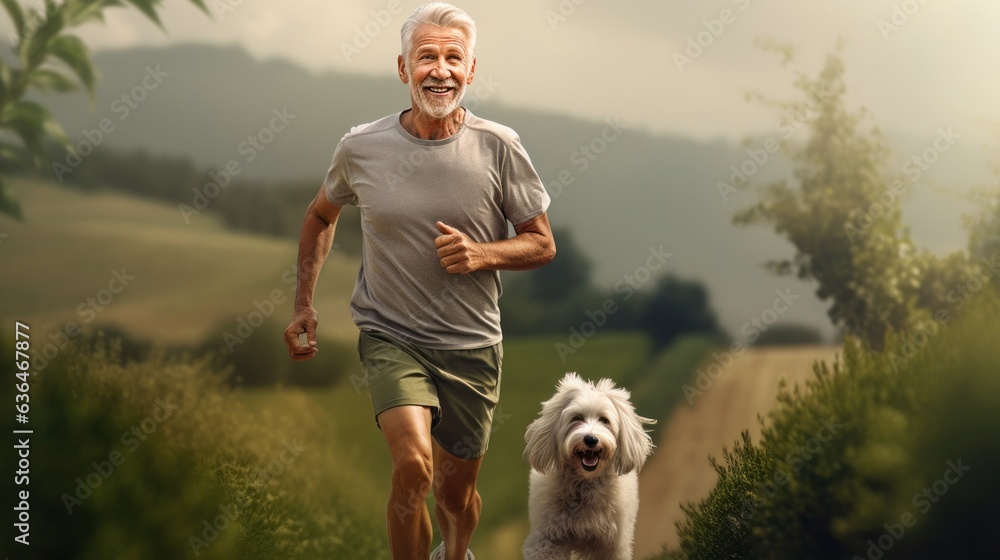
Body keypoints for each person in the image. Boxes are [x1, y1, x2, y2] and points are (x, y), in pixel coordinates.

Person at [282, 3, 555, 559]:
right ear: (403, 68)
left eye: (453, 58)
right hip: (391, 335)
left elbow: (541, 242)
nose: (440, 69)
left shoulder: (498, 145)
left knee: (456, 495)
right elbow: (319, 216)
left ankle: (457, 551)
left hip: (471, 344)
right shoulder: (361, 147)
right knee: (412, 467)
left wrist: (481, 254)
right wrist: (304, 304)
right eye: (426, 56)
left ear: (472, 70)